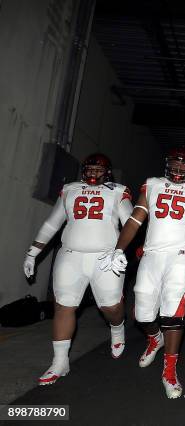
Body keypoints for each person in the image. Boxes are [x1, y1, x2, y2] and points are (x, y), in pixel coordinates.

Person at [100, 147, 185, 399]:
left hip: (180, 256)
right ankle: (155, 338)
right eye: (175, 163)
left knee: (172, 313)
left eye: (184, 165)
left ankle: (169, 371)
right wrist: (118, 250)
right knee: (142, 314)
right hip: (151, 254)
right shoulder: (152, 184)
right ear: (167, 164)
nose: (179, 168)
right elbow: (135, 219)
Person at [23, 153, 133, 385]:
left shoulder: (117, 190)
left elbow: (130, 223)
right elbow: (53, 223)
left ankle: (117, 328)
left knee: (111, 307)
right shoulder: (70, 189)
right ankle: (60, 362)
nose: (93, 173)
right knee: (64, 305)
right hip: (70, 255)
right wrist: (33, 252)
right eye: (89, 169)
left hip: (105, 257)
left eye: (97, 169)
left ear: (108, 172)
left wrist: (120, 251)